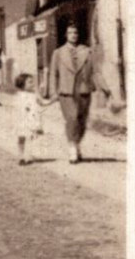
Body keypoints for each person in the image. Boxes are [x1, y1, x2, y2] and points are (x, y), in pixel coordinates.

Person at [46, 24, 108, 164]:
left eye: (75, 32)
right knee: (71, 119)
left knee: (81, 121)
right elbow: (53, 74)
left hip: (83, 90)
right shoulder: (58, 53)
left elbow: (96, 72)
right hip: (66, 92)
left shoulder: (87, 52)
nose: (73, 35)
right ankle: (72, 148)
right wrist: (53, 92)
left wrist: (105, 88)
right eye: (70, 33)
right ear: (65, 35)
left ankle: (77, 143)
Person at [15, 72, 45, 165]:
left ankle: (28, 156)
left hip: (32, 119)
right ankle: (20, 156)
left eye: (32, 82)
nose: (32, 84)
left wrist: (39, 92)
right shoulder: (19, 95)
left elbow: (41, 102)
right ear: (22, 84)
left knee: (30, 138)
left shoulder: (34, 94)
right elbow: (19, 107)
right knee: (21, 137)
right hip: (22, 119)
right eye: (30, 82)